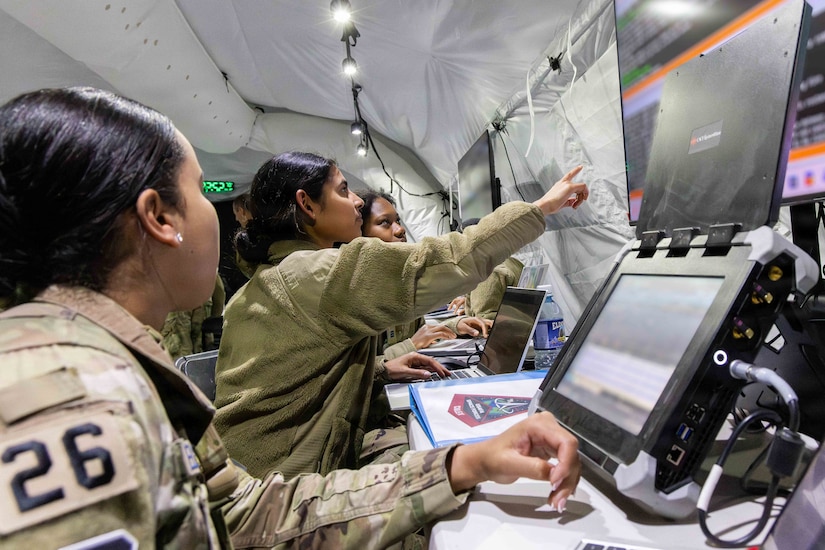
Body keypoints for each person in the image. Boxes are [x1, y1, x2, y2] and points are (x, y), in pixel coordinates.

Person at [0, 86, 580, 548]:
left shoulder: (101, 360)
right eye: (203, 191)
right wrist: (538, 210)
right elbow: (431, 263)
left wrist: (453, 452)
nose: (221, 213)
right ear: (158, 217)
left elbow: (239, 515)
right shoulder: (68, 394)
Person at [214, 151, 589, 480]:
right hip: (285, 492)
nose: (357, 201)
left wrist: (380, 369)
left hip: (255, 477)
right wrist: (540, 209)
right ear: (307, 205)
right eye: (343, 191)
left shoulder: (267, 282)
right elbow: (446, 259)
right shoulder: (316, 274)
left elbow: (294, 378)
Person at [356, 189, 492, 359]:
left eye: (397, 221)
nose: (400, 230)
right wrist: (411, 345)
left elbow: (419, 333)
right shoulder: (356, 295)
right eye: (385, 222)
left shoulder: (404, 281)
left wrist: (454, 327)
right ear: (359, 234)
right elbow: (358, 372)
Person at [447, 218, 525, 320]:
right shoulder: (513, 262)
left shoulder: (486, 273)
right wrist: (470, 303)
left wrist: (455, 325)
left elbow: (484, 323)